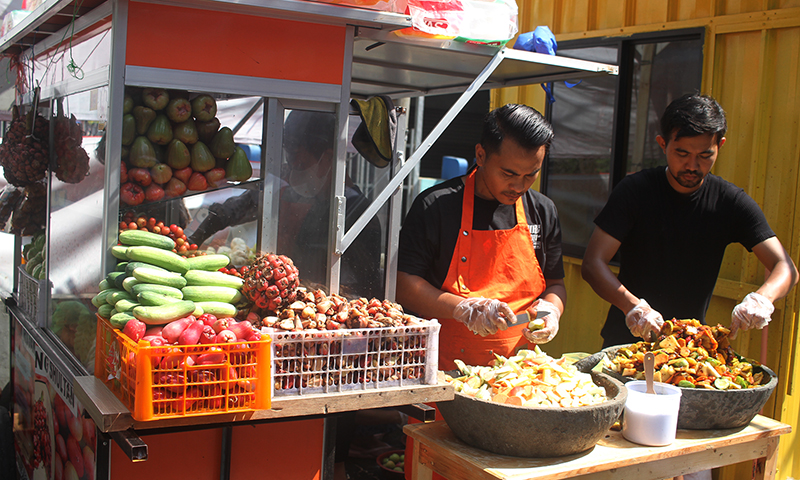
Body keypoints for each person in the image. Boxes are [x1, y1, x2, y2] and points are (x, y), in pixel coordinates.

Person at [581, 93, 799, 349]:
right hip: (627, 341)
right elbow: (593, 264)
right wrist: (634, 308)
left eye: (705, 155)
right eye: (681, 153)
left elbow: (786, 267)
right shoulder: (635, 191)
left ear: (721, 146)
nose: (692, 165)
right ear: (663, 144)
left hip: (691, 346)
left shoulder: (729, 201)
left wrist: (762, 299)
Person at [396, 103, 567, 372]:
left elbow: (555, 284)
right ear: (481, 155)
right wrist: (464, 308)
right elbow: (404, 285)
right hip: (443, 370)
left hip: (521, 375)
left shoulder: (543, 211)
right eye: (508, 173)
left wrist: (551, 312)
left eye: (531, 174)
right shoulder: (436, 206)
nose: (519, 186)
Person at [188, 109, 383, 299]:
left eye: (299, 164)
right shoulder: (286, 183)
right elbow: (234, 209)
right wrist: (193, 238)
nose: (291, 171)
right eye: (289, 161)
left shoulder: (358, 215)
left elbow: (356, 289)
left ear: (328, 158)